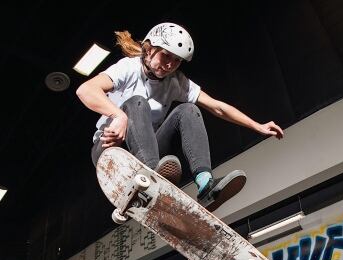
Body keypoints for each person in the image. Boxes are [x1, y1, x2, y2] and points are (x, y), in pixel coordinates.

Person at [76, 22, 284, 211]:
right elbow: (85, 90)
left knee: (189, 110)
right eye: (166, 56)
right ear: (148, 50)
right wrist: (118, 115)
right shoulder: (128, 68)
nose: (169, 65)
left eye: (177, 61)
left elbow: (217, 107)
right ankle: (150, 177)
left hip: (147, 150)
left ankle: (206, 185)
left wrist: (257, 126)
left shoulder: (176, 81)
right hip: (110, 150)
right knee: (137, 102)